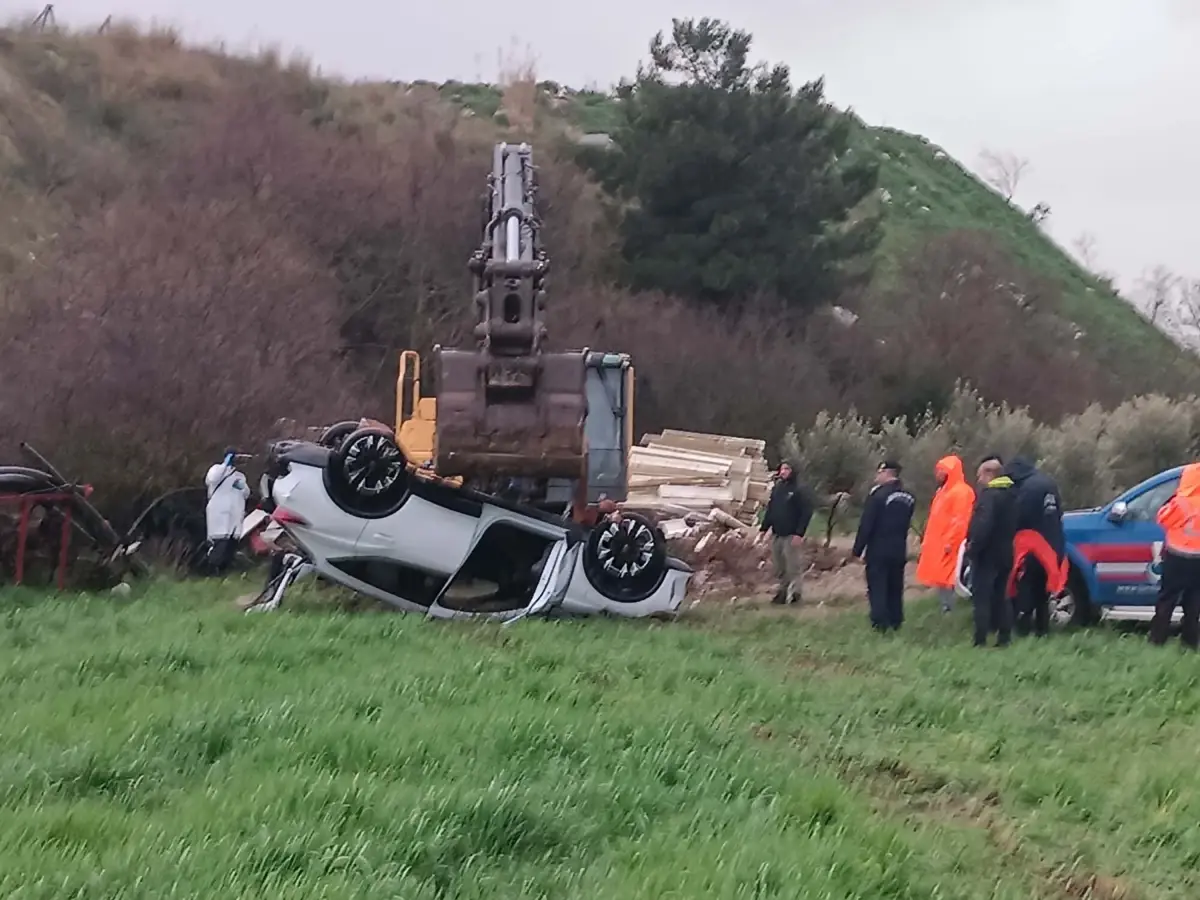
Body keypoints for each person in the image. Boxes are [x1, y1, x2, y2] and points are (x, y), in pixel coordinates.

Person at [1005, 456, 1068, 636]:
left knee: (1025, 589)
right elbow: (1058, 512)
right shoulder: (1048, 483)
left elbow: (1019, 516)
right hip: (1052, 545)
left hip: (1031, 546)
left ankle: (1023, 630)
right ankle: (1043, 630)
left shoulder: (1026, 488)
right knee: (1042, 593)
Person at [852, 460, 915, 631]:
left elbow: (867, 524)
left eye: (879, 472)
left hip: (878, 548)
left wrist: (857, 550)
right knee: (895, 586)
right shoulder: (909, 497)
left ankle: (880, 623)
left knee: (878, 586)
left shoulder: (877, 495)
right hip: (899, 548)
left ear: (887, 473)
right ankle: (896, 620)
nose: (877, 476)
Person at [964, 456, 1018, 647]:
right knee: (1002, 596)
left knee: (982, 598)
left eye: (980, 475)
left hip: (987, 554)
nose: (978, 480)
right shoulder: (1012, 495)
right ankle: (1004, 638)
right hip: (1007, 552)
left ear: (989, 474)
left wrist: (973, 546)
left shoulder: (989, 496)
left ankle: (980, 640)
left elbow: (983, 525)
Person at [915, 455, 975, 613]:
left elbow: (960, 519)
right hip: (939, 542)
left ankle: (952, 608)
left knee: (951, 577)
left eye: (941, 470)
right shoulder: (943, 491)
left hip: (950, 544)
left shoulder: (962, 492)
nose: (938, 474)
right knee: (941, 577)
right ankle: (946, 607)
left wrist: (951, 541)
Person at [1150, 463, 1200, 649]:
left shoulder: (1181, 502)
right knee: (1194, 602)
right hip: (1198, 560)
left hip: (1177, 557)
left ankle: (1158, 640)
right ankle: (1190, 642)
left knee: (1167, 599)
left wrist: (1172, 499)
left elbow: (1162, 518)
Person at [758, 462, 815, 605]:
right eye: (781, 469)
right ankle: (782, 593)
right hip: (777, 534)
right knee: (780, 567)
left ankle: (796, 595)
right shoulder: (778, 489)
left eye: (786, 469)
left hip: (791, 535)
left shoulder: (799, 489)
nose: (782, 471)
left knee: (793, 566)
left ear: (793, 471)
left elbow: (806, 512)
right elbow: (771, 510)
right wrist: (764, 529)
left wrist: (799, 533)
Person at [204, 448, 250, 575]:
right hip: (219, 512)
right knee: (220, 543)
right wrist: (225, 464)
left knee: (231, 544)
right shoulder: (216, 469)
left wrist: (242, 487)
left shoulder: (240, 475)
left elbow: (246, 493)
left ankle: (224, 572)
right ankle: (213, 572)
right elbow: (212, 479)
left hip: (234, 513)